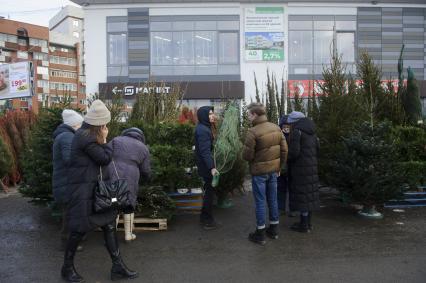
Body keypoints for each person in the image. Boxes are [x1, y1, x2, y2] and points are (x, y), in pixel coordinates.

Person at [61, 100, 138, 282]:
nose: (106, 127)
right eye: (105, 124)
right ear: (99, 123)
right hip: (83, 191)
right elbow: (104, 158)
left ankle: (117, 267)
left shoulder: (85, 134)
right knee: (78, 230)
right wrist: (104, 139)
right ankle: (67, 268)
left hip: (95, 189)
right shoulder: (86, 137)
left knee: (109, 225)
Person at [243, 103, 288, 245]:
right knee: (273, 199)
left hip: (259, 173)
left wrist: (251, 158)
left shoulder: (252, 132)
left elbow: (247, 156)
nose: (248, 116)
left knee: (261, 201)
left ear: (255, 114)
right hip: (273, 171)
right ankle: (274, 230)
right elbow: (284, 150)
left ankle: (260, 233)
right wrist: (279, 167)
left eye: (249, 114)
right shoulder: (276, 128)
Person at [109, 127, 151, 242]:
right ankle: (128, 235)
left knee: (114, 203)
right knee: (129, 203)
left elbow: (104, 155)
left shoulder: (115, 140)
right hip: (131, 175)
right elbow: (146, 169)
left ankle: (111, 236)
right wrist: (147, 178)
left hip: (113, 173)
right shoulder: (143, 147)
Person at [52, 109, 84, 251]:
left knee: (70, 213)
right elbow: (69, 159)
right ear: (74, 125)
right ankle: (67, 244)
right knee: (69, 215)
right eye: (80, 125)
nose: (81, 127)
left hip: (65, 182)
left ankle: (70, 241)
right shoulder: (67, 137)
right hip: (66, 183)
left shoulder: (64, 135)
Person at [286, 111, 320, 233]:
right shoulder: (312, 131)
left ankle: (304, 225)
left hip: (300, 169)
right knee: (309, 195)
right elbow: (318, 148)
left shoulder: (297, 132)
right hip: (312, 167)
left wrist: (285, 157)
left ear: (294, 121)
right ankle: (308, 223)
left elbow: (294, 152)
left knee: (302, 196)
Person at [194, 106, 220, 230]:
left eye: (212, 113)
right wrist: (212, 168)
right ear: (204, 115)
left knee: (209, 192)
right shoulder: (203, 130)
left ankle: (204, 217)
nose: (212, 115)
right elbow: (205, 152)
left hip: (204, 165)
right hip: (206, 167)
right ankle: (207, 220)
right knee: (209, 193)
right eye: (209, 113)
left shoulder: (204, 127)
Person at [277, 115, 290, 215]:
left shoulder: (295, 135)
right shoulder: (278, 136)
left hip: (291, 167)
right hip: (280, 167)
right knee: (280, 188)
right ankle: (280, 208)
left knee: (292, 189)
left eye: (288, 126)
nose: (286, 128)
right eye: (284, 126)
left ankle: (292, 208)